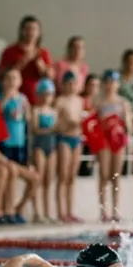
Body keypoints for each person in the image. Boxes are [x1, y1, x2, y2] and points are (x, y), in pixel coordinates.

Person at [0, 67, 41, 223]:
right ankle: (7, 211)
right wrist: (6, 98)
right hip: (5, 146)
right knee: (12, 174)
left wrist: (30, 155)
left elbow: (29, 124)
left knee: (35, 179)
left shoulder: (23, 100)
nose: (11, 82)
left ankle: (18, 208)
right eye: (8, 78)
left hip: (20, 146)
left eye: (15, 78)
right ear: (3, 81)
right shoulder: (0, 99)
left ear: (20, 81)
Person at [95, 69, 133, 223]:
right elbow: (93, 125)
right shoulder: (99, 103)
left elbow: (128, 125)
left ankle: (116, 211)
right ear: (104, 84)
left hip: (117, 140)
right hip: (104, 141)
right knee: (104, 175)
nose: (111, 85)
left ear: (117, 84)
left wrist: (123, 129)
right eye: (108, 82)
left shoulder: (123, 103)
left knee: (116, 176)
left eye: (113, 82)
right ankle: (103, 211)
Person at [0, 14, 51, 103]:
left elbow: (50, 77)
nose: (31, 33)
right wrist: (22, 62)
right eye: (28, 29)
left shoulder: (43, 53)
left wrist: (42, 67)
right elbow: (0, 75)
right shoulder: (10, 51)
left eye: (34, 29)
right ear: (21, 31)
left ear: (39, 33)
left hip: (36, 99)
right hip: (13, 99)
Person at [54, 70, 84, 223]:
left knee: (72, 177)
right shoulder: (59, 101)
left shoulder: (79, 101)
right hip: (64, 138)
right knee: (63, 176)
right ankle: (61, 212)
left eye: (74, 83)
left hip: (76, 139)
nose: (71, 86)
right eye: (68, 83)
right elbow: (54, 125)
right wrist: (66, 124)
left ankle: (70, 211)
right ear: (63, 85)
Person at [31, 77, 60, 223]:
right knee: (39, 179)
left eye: (49, 94)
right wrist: (50, 129)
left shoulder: (54, 112)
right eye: (44, 93)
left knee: (49, 180)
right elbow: (35, 128)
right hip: (40, 146)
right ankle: (37, 212)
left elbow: (57, 128)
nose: (46, 97)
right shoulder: (36, 110)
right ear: (39, 94)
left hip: (51, 146)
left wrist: (51, 129)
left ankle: (48, 212)